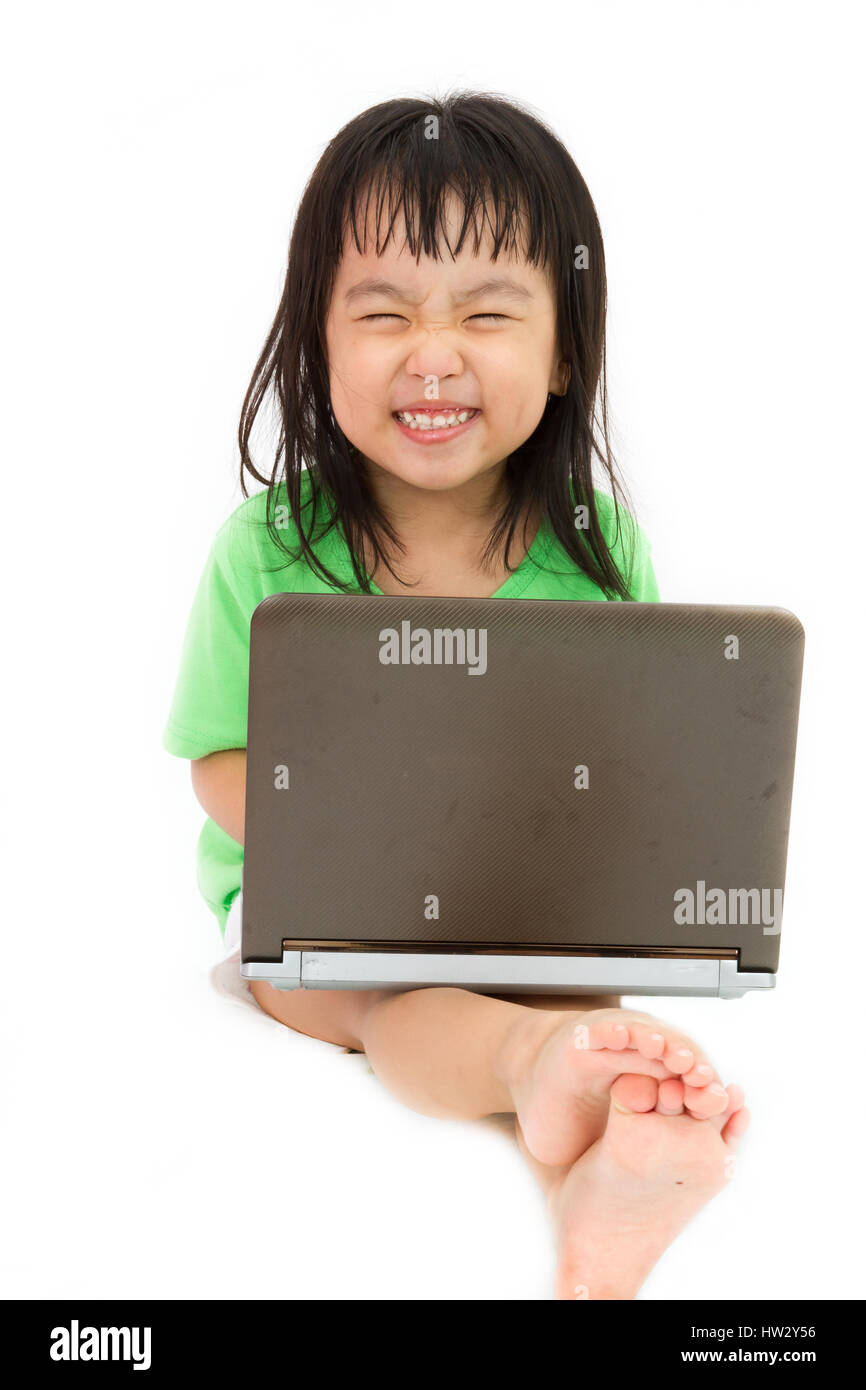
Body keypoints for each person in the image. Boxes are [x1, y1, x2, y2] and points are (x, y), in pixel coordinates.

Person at [163, 91, 748, 1300]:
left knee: (583, 1000)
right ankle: (537, 1057)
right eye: (382, 314)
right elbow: (218, 757)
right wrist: (341, 850)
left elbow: (635, 757)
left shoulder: (596, 547)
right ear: (318, 339)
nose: (434, 354)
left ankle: (597, 1184)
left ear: (564, 348)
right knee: (399, 1002)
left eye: (487, 313)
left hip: (526, 906)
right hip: (328, 925)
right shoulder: (266, 548)